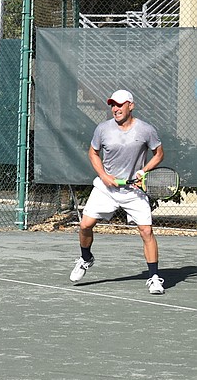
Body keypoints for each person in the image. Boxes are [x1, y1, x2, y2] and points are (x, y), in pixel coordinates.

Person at [69, 89, 165, 295]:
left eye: (120, 104)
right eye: (112, 105)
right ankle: (85, 258)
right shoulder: (103, 129)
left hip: (133, 190)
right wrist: (104, 176)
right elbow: (93, 153)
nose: (115, 109)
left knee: (146, 231)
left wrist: (143, 171)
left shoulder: (146, 130)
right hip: (106, 188)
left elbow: (159, 154)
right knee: (85, 225)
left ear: (131, 105)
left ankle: (154, 277)